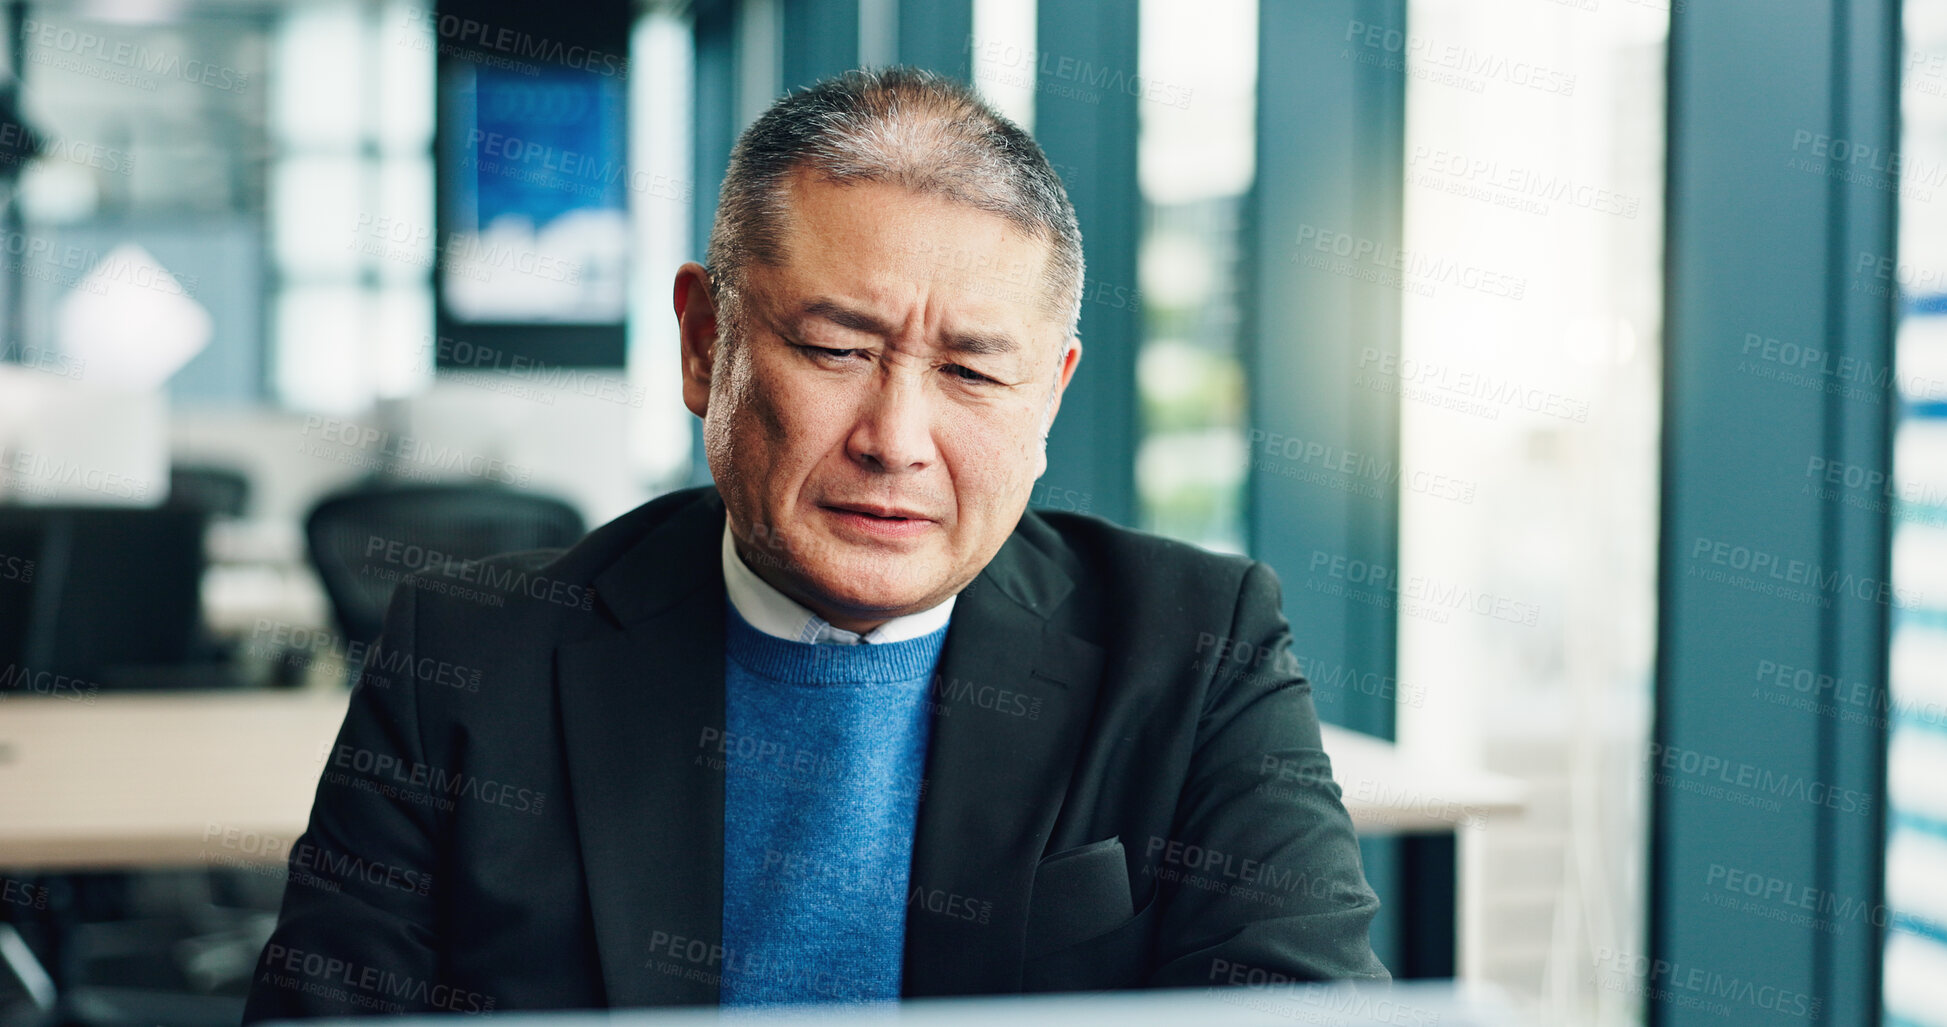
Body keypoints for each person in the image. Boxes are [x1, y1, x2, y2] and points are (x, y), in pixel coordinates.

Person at [242, 66, 1386, 1020]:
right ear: (704, 344)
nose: (896, 440)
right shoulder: (471, 657)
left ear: (1049, 397)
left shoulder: (1198, 650)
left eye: (976, 372)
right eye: (838, 350)